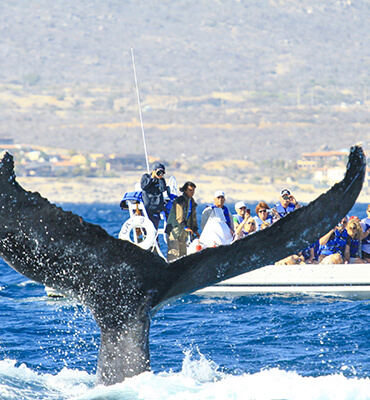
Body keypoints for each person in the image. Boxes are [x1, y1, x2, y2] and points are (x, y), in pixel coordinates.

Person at [166, 181, 200, 262]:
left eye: (193, 190)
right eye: (190, 190)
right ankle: (170, 268)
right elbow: (179, 216)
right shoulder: (180, 201)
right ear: (185, 190)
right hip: (174, 229)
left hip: (183, 231)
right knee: (174, 252)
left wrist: (195, 230)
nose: (192, 192)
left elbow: (193, 217)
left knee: (183, 252)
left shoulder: (192, 201)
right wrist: (185, 227)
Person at [140, 162, 167, 229]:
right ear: (154, 171)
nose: (160, 173)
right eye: (158, 171)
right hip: (147, 206)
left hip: (156, 207)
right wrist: (151, 178)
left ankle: (155, 239)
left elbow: (162, 189)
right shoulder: (146, 177)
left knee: (154, 228)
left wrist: (160, 179)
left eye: (162, 172)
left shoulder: (161, 180)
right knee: (145, 228)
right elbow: (144, 186)